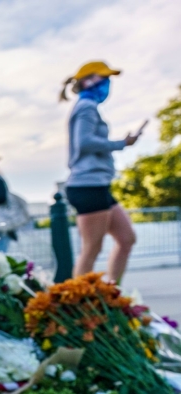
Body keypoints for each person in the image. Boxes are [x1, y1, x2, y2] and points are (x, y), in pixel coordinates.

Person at [60, 61, 142, 282]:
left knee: (126, 239)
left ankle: (111, 293)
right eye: (103, 78)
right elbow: (84, 142)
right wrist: (121, 143)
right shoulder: (86, 106)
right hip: (87, 185)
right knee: (91, 250)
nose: (108, 83)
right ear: (88, 81)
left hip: (98, 184)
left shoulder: (87, 106)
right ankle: (77, 304)